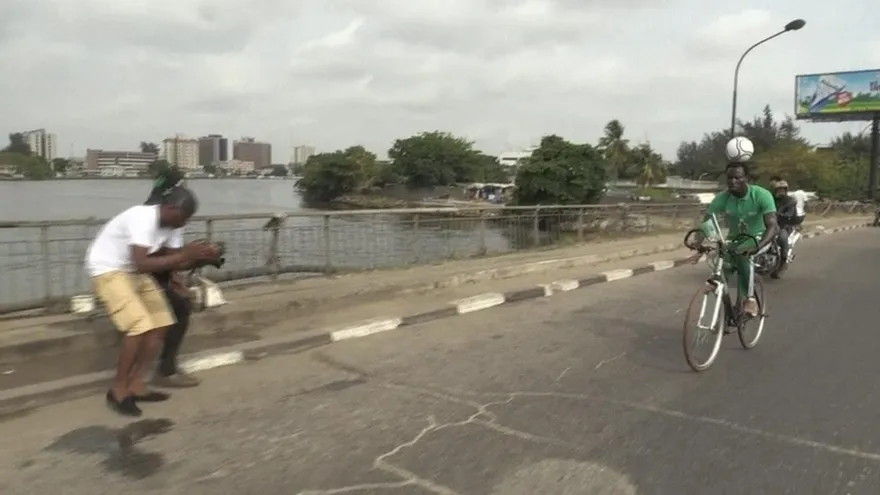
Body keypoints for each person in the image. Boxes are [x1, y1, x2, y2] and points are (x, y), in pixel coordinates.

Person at [85, 187, 218, 416]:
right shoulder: (142, 218)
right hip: (109, 270)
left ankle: (137, 385)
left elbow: (175, 262)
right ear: (170, 208)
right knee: (139, 325)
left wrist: (200, 258)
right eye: (183, 217)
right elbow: (142, 263)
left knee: (162, 322)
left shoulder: (173, 226)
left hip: (133, 272)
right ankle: (118, 390)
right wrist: (185, 255)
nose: (185, 222)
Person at [144, 168, 202, 388]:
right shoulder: (156, 212)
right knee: (176, 307)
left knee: (180, 304)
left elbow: (173, 253)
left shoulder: (168, 209)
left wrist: (177, 278)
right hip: (142, 268)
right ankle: (164, 370)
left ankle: (165, 369)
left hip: (155, 267)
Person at [698, 162, 779, 317]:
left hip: (759, 237)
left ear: (746, 178)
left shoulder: (762, 195)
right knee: (724, 264)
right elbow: (708, 221)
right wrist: (699, 242)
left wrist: (758, 246)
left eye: (738, 177)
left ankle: (750, 300)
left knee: (743, 255)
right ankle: (728, 309)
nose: (732, 181)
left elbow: (772, 226)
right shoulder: (723, 198)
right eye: (729, 178)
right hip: (735, 239)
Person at [769, 178, 799, 267]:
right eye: (778, 189)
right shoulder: (770, 199)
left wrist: (778, 214)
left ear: (786, 190)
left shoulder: (790, 201)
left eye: (782, 189)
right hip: (770, 224)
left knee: (782, 238)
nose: (780, 191)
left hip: (784, 225)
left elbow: (789, 214)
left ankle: (783, 261)